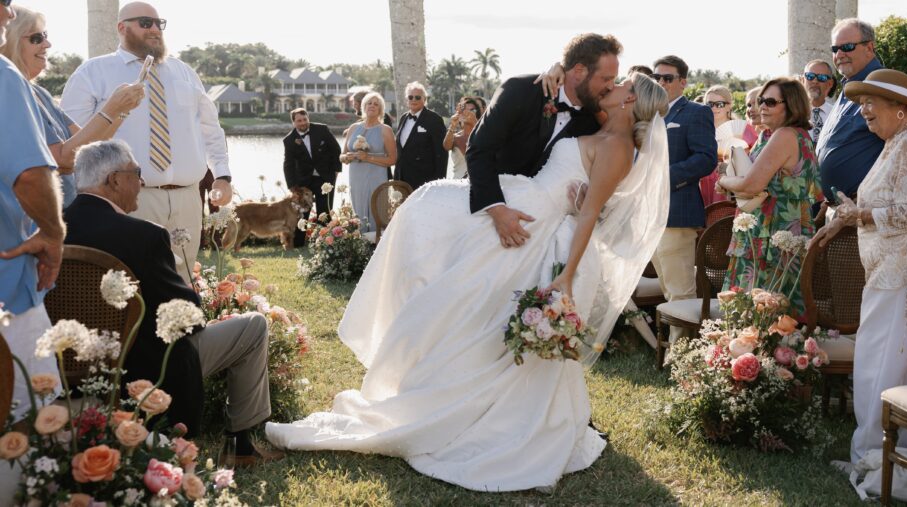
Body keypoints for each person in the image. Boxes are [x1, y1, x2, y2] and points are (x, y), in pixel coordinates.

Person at [265, 74, 670, 492]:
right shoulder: (597, 124)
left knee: (473, 302)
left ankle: (477, 411)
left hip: (539, 227)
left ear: (631, 101)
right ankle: (431, 377)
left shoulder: (618, 147)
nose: (615, 84)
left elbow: (589, 215)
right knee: (434, 228)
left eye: (623, 84)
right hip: (519, 198)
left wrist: (567, 274)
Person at [63, 140, 283, 465]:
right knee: (253, 327)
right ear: (114, 180)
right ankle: (241, 447)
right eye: (137, 174)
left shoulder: (51, 230)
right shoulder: (144, 235)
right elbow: (186, 316)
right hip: (146, 371)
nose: (141, 183)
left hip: (69, 369)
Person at [810, 69, 907, 468]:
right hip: (901, 271)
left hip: (906, 273)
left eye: (872, 103)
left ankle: (871, 457)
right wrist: (848, 215)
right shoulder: (903, 140)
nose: (864, 112)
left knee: (877, 362)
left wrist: (859, 213)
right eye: (860, 104)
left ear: (902, 108)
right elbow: (892, 200)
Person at [61, 2, 231, 283]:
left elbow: (210, 128)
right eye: (145, 22)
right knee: (131, 281)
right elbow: (74, 141)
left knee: (183, 281)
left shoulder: (185, 73)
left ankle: (185, 328)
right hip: (128, 199)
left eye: (158, 23)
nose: (154, 29)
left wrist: (222, 175)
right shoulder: (92, 73)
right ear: (122, 28)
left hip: (187, 198)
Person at [0, 0, 65, 504]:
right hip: (7, 286)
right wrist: (53, 233)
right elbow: (30, 173)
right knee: (38, 418)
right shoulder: (2, 81)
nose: (6, 10)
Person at [467, 33, 619, 248]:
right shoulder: (519, 90)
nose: (612, 86)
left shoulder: (595, 122)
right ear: (579, 71)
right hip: (483, 207)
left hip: (536, 230)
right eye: (606, 78)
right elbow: (479, 149)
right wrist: (497, 209)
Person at [0, 5, 144, 205]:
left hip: (65, 214)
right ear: (10, 43)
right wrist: (112, 108)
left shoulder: (41, 94)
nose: (47, 44)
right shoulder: (11, 95)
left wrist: (122, 110)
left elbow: (89, 148)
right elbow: (64, 161)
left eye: (45, 35)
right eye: (36, 38)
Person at [718, 77, 823, 310]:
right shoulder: (768, 135)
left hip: (778, 233)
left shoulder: (786, 135)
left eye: (770, 102)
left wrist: (724, 180)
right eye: (760, 100)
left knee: (768, 313)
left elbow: (752, 185)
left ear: (792, 105)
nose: (761, 106)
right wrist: (734, 182)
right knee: (753, 314)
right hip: (763, 230)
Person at [649, 56, 716, 320]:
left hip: (678, 212)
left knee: (681, 293)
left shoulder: (696, 112)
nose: (661, 83)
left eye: (667, 78)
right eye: (656, 78)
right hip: (650, 216)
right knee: (666, 288)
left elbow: (706, 158)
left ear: (683, 82)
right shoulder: (649, 114)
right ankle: (673, 354)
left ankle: (683, 357)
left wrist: (665, 176)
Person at [815, 18, 885, 206]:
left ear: (869, 48)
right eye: (835, 49)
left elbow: (900, 151)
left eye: (847, 47)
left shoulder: (881, 88)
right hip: (837, 209)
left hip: (864, 211)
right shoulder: (849, 87)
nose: (839, 54)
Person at [283, 107, 342, 245]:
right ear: (294, 122)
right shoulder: (289, 140)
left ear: (308, 118)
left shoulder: (322, 129)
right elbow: (288, 164)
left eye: (305, 119)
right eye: (299, 121)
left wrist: (336, 171)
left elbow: (336, 149)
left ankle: (324, 242)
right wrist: (292, 186)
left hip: (325, 178)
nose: (303, 123)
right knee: (302, 213)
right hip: (303, 181)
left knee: (325, 211)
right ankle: (298, 244)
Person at [341, 91, 397, 233]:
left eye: (376, 104)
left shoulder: (386, 130)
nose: (372, 106)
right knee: (357, 210)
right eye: (369, 103)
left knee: (376, 210)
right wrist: (347, 157)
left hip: (376, 177)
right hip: (356, 177)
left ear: (380, 110)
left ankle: (376, 244)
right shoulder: (353, 128)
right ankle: (359, 245)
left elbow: (392, 159)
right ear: (363, 106)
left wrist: (368, 157)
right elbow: (341, 156)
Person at [699, 84, 757, 206]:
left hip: (732, 185)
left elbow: (756, 158)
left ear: (729, 106)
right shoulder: (700, 130)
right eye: (709, 104)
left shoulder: (744, 130)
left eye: (719, 104)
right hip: (704, 185)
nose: (714, 108)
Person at [394, 82, 447, 191]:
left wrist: (439, 181)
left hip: (424, 180)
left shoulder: (434, 119)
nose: (414, 100)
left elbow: (441, 153)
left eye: (418, 97)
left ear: (424, 99)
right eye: (410, 97)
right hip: (402, 178)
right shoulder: (403, 118)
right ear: (406, 99)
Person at [443, 95, 485, 179]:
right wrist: (453, 125)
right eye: (464, 110)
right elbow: (446, 147)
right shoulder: (455, 136)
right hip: (457, 184)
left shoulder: (484, 134)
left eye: (472, 110)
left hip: (478, 183)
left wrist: (474, 122)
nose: (467, 112)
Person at [801, 59, 836, 144]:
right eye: (810, 76)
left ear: (830, 84)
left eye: (821, 78)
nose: (815, 81)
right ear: (802, 80)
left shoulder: (836, 114)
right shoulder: (791, 113)